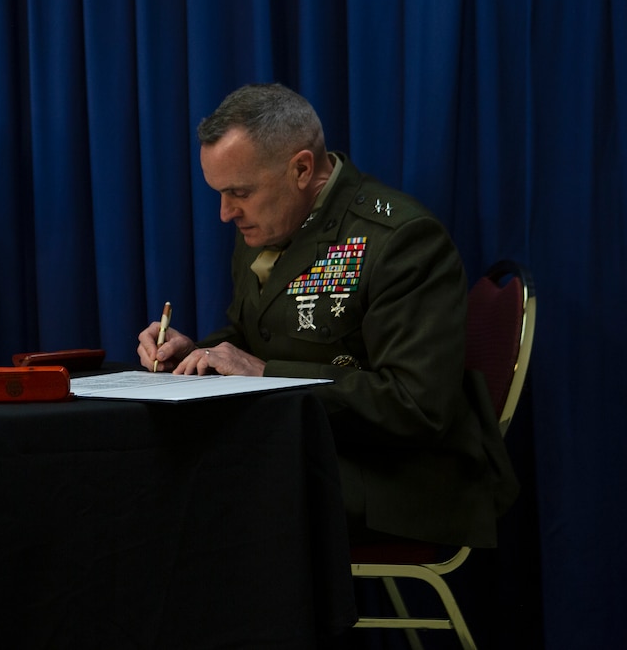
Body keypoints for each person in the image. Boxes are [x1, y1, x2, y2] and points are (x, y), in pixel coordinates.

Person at [137, 83, 516, 547]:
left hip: (396, 475)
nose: (224, 212)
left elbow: (417, 406)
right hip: (306, 448)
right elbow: (256, 334)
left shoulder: (400, 240)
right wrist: (198, 354)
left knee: (200, 496)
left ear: (301, 169)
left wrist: (267, 375)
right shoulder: (265, 220)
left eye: (239, 192)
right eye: (220, 193)